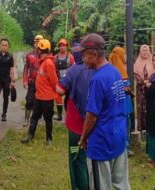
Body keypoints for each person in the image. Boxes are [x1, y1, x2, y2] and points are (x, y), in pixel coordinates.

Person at [76, 33, 130, 190]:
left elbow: (91, 116)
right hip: (118, 138)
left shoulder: (97, 79)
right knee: (122, 184)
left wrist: (84, 139)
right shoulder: (115, 72)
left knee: (101, 186)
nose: (82, 59)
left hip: (101, 143)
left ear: (93, 54)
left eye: (84, 55)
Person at [56, 61, 94, 190]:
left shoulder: (73, 70)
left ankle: (80, 186)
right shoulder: (101, 68)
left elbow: (59, 89)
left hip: (76, 124)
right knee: (92, 159)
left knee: (77, 159)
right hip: (95, 124)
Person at [21, 39, 58, 145]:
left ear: (41, 50)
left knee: (48, 119)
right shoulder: (43, 62)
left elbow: (54, 81)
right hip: (39, 96)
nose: (37, 50)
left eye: (38, 49)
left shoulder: (49, 63)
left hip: (47, 97)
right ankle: (30, 137)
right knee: (34, 117)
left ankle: (49, 139)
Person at [109, 46, 134, 156]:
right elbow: (125, 88)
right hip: (124, 104)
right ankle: (125, 149)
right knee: (125, 126)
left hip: (114, 105)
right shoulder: (120, 69)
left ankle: (118, 148)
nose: (124, 57)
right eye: (123, 54)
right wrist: (131, 92)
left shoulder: (109, 69)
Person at [22, 34, 43, 127]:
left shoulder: (45, 56)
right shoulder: (29, 55)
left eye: (40, 42)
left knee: (41, 101)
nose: (37, 44)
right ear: (34, 43)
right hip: (32, 82)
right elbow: (26, 68)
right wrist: (25, 80)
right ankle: (26, 120)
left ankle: (39, 119)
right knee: (29, 100)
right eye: (36, 42)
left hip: (42, 83)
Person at [0, 38, 15, 122]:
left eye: (6, 45)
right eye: (2, 45)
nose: (4, 46)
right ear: (0, 45)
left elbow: (12, 69)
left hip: (6, 80)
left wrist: (13, 81)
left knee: (6, 97)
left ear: (8, 46)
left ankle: (4, 114)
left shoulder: (10, 56)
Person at [134, 45, 154, 131]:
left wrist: (149, 82)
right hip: (140, 89)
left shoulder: (152, 62)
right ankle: (141, 127)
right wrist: (142, 81)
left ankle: (149, 126)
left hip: (151, 88)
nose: (145, 52)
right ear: (140, 52)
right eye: (143, 50)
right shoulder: (137, 62)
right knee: (140, 107)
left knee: (150, 107)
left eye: (146, 50)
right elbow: (135, 74)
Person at [54, 38, 75, 121]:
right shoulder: (55, 57)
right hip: (59, 80)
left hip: (69, 80)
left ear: (67, 47)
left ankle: (69, 116)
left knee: (69, 98)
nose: (62, 47)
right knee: (58, 97)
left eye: (63, 46)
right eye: (60, 46)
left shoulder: (70, 57)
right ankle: (59, 115)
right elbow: (53, 69)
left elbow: (74, 69)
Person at [144, 55, 155, 167]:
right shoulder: (153, 75)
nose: (154, 62)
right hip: (152, 107)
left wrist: (149, 86)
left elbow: (150, 91)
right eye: (153, 60)